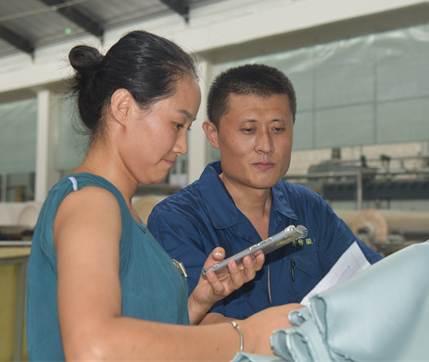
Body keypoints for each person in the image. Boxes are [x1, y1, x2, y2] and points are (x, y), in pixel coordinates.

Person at [26, 32, 298, 361]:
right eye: (177, 124)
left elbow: (143, 334)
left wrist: (198, 301)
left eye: (188, 129)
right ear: (123, 108)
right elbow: (94, 348)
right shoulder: (90, 203)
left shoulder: (124, 212)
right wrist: (247, 337)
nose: (182, 147)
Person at [147, 63, 382, 323]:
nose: (266, 146)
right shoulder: (176, 221)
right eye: (249, 130)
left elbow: (374, 278)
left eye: (278, 129)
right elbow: (205, 327)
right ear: (213, 135)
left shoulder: (308, 208)